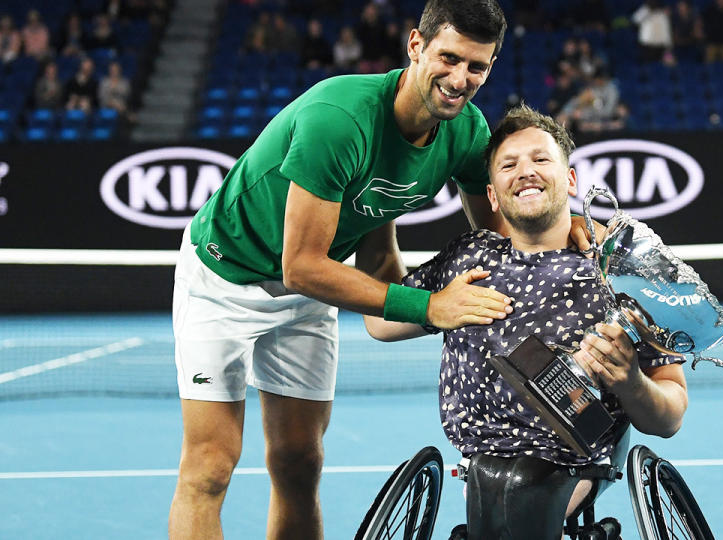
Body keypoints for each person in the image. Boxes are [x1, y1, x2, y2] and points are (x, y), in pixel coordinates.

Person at [169, 2, 599, 538]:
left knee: (300, 461)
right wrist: (430, 307)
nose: (460, 78)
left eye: (477, 67)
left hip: (311, 292)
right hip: (225, 278)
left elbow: (505, 234)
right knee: (210, 465)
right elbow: (301, 266)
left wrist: (572, 233)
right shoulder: (340, 119)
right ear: (415, 45)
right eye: (449, 57)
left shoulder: (465, 132)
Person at [363, 104, 689, 538]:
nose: (526, 172)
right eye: (509, 165)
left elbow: (669, 418)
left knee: (519, 493)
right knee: (505, 491)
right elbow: (380, 324)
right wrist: (378, 208)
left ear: (570, 179)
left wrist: (631, 381)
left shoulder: (620, 269)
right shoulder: (468, 257)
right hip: (481, 461)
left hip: (573, 462)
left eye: (541, 159)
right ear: (493, 195)